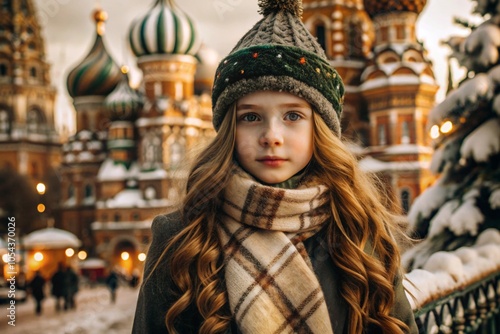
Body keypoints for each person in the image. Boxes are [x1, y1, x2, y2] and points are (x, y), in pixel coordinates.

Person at [133, 0, 418, 333]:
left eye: (293, 116)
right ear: (229, 130)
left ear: (320, 129)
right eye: (250, 117)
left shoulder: (357, 229)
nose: (271, 136)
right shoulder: (183, 238)